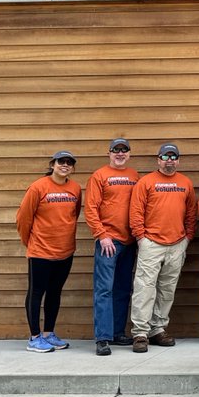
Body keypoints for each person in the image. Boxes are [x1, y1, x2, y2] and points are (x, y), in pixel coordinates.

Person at [128, 143, 196, 353]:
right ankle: (140, 332)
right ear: (158, 160)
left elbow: (191, 214)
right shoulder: (146, 182)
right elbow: (136, 211)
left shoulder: (185, 183)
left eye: (173, 157)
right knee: (144, 288)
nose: (169, 160)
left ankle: (157, 329)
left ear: (178, 160)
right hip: (151, 243)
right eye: (165, 157)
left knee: (167, 290)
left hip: (176, 244)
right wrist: (141, 237)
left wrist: (187, 238)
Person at [15, 150, 83, 353]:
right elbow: (23, 218)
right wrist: (31, 242)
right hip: (40, 252)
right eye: (61, 161)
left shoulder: (75, 188)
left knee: (55, 293)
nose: (65, 165)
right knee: (36, 293)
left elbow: (74, 214)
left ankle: (48, 333)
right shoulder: (38, 187)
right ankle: (34, 337)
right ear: (52, 164)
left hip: (65, 251)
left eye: (69, 163)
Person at [84, 138, 140, 356]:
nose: (120, 154)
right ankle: (103, 338)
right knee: (104, 289)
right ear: (109, 153)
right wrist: (101, 235)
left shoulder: (134, 176)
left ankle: (118, 332)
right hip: (108, 241)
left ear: (129, 154)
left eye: (124, 150)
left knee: (123, 288)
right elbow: (91, 208)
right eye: (116, 150)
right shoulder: (100, 175)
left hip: (129, 241)